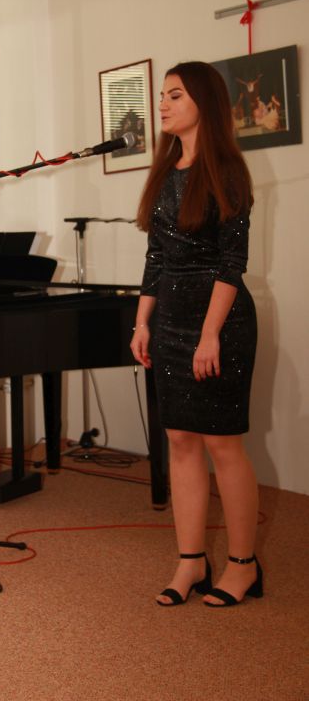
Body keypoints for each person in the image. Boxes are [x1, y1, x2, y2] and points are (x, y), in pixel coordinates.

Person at [130, 62, 262, 608]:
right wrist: (141, 322)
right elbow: (156, 258)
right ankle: (191, 561)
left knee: (222, 444)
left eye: (175, 95)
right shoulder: (165, 173)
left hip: (220, 321)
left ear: (203, 102)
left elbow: (232, 264)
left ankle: (243, 565)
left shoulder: (228, 171)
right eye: (162, 95)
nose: (162, 104)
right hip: (170, 320)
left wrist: (210, 335)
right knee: (180, 440)